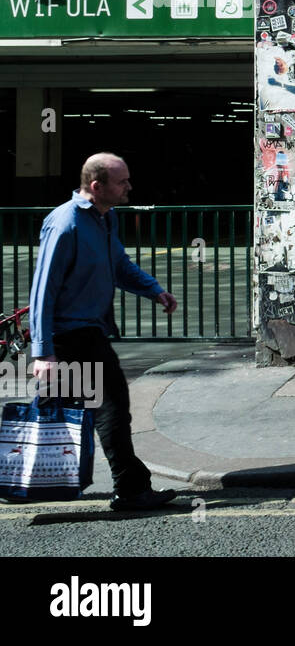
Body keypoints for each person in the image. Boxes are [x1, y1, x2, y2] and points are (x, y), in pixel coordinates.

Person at [28, 153, 180, 510]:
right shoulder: (65, 224)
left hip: (87, 333)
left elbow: (119, 265)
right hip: (70, 337)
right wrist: (43, 351)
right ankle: (130, 489)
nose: (129, 186)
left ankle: (23, 478)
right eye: (122, 181)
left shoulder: (103, 218)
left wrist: (153, 289)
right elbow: (42, 290)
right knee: (110, 408)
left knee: (61, 410)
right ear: (97, 187)